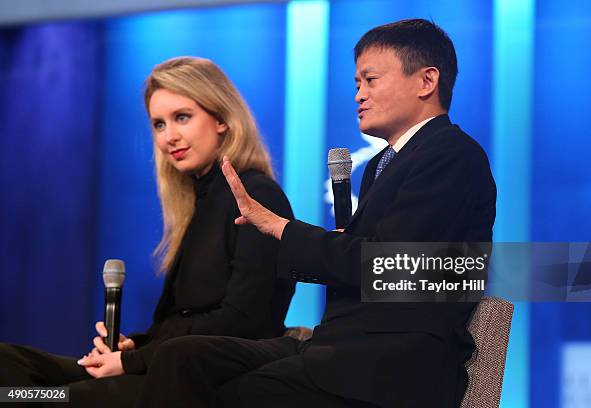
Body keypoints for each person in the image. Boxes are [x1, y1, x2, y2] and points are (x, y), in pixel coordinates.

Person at [137, 19, 496, 408]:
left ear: (426, 81)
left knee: (228, 394)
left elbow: (387, 267)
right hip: (338, 350)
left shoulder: (452, 156)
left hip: (390, 366)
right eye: (357, 83)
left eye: (370, 80)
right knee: (182, 357)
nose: (359, 94)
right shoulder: (382, 165)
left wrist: (280, 229)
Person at [0, 57, 295, 406]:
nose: (169, 137)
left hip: (207, 375)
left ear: (221, 119)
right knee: (10, 367)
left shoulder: (256, 195)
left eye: (182, 117)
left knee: (49, 400)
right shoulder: (198, 202)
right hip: (158, 362)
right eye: (158, 124)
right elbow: (176, 324)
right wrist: (133, 346)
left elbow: (244, 320)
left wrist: (131, 360)